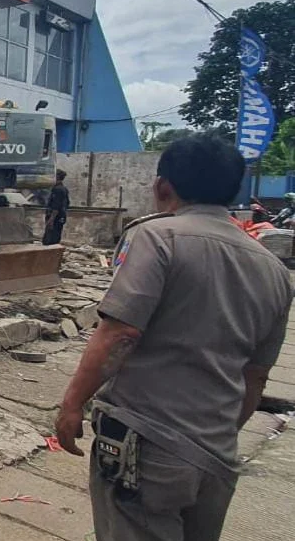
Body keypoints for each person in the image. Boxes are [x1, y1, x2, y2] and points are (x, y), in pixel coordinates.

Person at [54, 134, 291, 541]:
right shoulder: (273, 270)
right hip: (217, 454)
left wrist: (72, 404)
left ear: (163, 186)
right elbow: (256, 376)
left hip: (148, 445)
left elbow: (120, 332)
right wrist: (220, 435)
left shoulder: (157, 237)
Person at [42, 169, 69, 245]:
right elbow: (67, 204)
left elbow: (56, 207)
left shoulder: (57, 190)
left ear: (56, 176)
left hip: (55, 218)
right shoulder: (64, 189)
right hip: (61, 217)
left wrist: (51, 220)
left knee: (49, 240)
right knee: (55, 238)